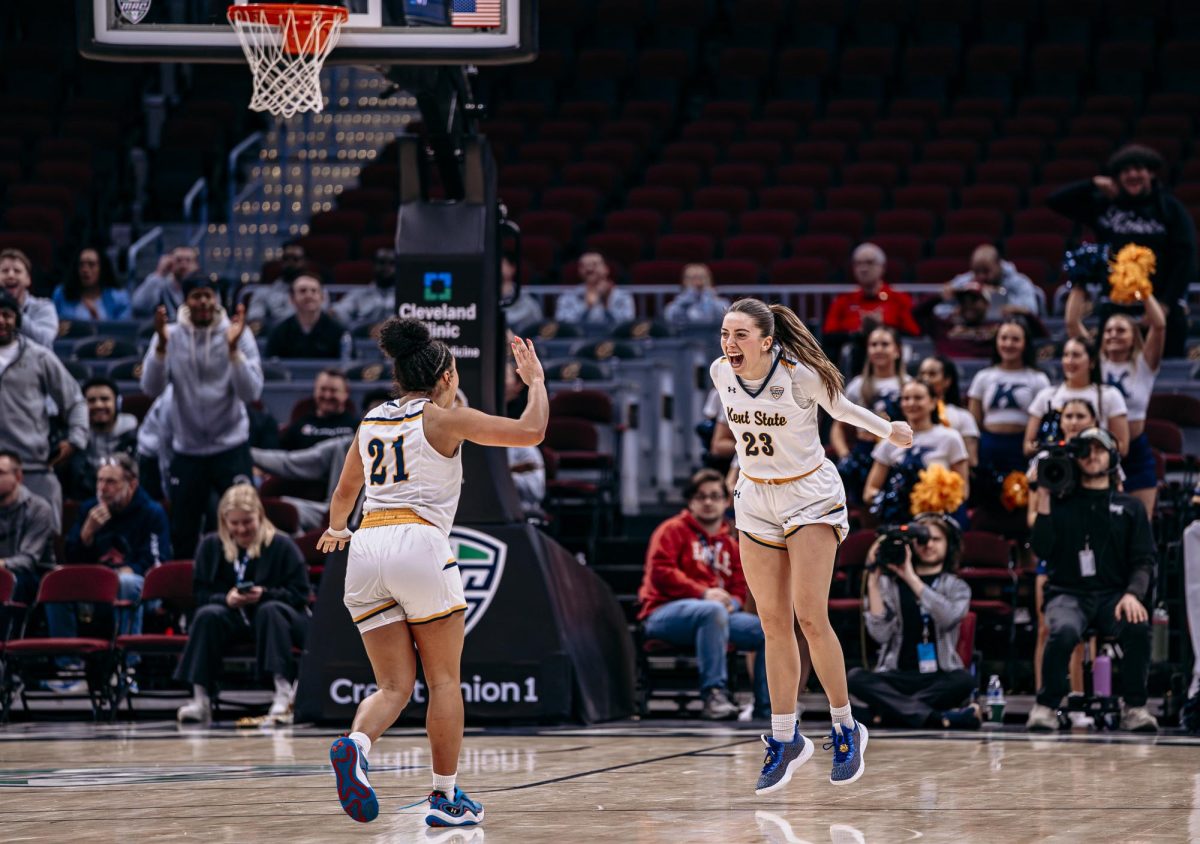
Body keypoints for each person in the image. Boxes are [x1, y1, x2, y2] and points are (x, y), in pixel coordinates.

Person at [316, 318, 548, 826]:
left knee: (393, 687)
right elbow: (531, 432)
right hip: (418, 542)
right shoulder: (445, 418)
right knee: (444, 682)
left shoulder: (372, 419)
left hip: (366, 545)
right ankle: (445, 797)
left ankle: (356, 744)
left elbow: (343, 493)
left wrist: (337, 529)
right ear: (445, 377)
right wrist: (535, 383)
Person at [710, 297, 912, 794]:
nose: (729, 343)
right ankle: (786, 738)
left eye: (739, 334)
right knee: (772, 623)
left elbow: (842, 409)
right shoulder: (720, 372)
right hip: (756, 497)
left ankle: (846, 727)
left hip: (809, 494)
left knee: (809, 616)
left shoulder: (799, 375)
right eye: (724, 333)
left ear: (765, 340)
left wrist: (889, 430)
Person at [1026, 427, 1158, 732]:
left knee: (1137, 626)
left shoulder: (1131, 507)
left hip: (1114, 594)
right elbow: (1042, 550)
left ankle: (1135, 707)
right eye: (1085, 450)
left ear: (1111, 456)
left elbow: (1144, 561)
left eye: (1099, 449)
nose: (1092, 456)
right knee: (1063, 630)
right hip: (1067, 592)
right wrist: (1044, 496)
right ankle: (1046, 705)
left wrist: (1133, 594)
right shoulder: (1059, 503)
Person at [140, 277, 263, 558]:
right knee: (183, 531)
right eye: (196, 296)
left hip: (231, 447)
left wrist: (233, 351)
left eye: (209, 295)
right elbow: (150, 388)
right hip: (187, 449)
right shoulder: (169, 335)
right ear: (185, 301)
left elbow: (251, 391)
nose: (204, 302)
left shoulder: (239, 334)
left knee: (245, 523)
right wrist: (160, 347)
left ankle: (249, 583)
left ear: (216, 299)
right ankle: (188, 596)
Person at [637, 468, 769, 720]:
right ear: (690, 501)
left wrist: (733, 603)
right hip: (663, 613)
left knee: (768, 631)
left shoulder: (730, 542)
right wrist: (703, 593)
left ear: (725, 501)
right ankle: (714, 695)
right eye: (701, 496)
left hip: (717, 615)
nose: (708, 502)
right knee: (712, 610)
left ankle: (769, 706)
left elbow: (740, 585)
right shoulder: (671, 530)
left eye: (714, 496)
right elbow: (661, 573)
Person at [175, 484, 310, 724]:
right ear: (223, 520)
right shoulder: (210, 546)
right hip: (233, 615)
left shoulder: (281, 545)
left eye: (247, 522)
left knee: (269, 611)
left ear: (259, 515)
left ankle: (283, 691)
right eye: (234, 523)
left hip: (277, 616)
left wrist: (265, 594)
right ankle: (200, 698)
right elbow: (201, 594)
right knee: (207, 615)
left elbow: (301, 594)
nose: (241, 529)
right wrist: (226, 599)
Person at [1047, 143, 1197, 357]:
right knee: (1109, 371)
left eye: (1139, 169)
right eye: (1125, 171)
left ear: (1151, 173)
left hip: (1162, 308)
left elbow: (1186, 259)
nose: (1132, 175)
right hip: (1115, 309)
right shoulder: (1105, 206)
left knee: (1162, 376)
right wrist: (1092, 183)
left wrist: (1165, 303)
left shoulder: (1171, 209)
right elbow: (1055, 201)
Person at [849, 513, 980, 728]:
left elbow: (947, 618)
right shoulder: (889, 584)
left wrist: (910, 577)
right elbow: (880, 635)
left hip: (938, 677)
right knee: (855, 677)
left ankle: (887, 713)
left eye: (936, 539)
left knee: (964, 680)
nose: (928, 544)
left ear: (949, 545)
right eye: (922, 539)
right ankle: (938, 718)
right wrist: (873, 579)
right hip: (896, 676)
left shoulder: (957, 586)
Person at [52, 454, 170, 658]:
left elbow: (157, 561)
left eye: (111, 482)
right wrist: (86, 535)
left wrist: (129, 570)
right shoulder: (90, 509)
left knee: (125, 583)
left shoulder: (151, 512)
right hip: (95, 585)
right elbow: (72, 559)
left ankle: (128, 665)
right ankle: (67, 667)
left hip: (138, 587)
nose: (102, 488)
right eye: (99, 480)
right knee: (56, 583)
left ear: (131, 484)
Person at [1027, 398, 1103, 701]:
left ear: (1094, 419)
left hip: (1091, 555)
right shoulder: (1045, 459)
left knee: (1088, 631)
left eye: (1080, 415)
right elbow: (1032, 516)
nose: (1073, 421)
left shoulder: (1101, 455)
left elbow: (1116, 506)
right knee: (1047, 628)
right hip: (1055, 552)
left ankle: (1085, 696)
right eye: (1068, 416)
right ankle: (1043, 698)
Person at [1067, 294, 1165, 520]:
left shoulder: (1144, 364)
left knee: (1140, 523)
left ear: (1134, 337)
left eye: (1121, 330)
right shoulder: (1094, 362)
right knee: (1102, 523)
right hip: (1097, 451)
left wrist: (1144, 291)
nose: (1113, 335)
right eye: (1109, 330)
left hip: (1136, 451)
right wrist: (1079, 284)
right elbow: (1072, 323)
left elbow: (1159, 325)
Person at [0, 291, 88, 532]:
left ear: (17, 319)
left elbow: (75, 401)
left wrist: (75, 439)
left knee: (46, 550)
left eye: (6, 314)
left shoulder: (39, 356)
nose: (1, 321)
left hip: (35, 467)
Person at [252, 390, 391, 534]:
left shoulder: (408, 455)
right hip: (332, 516)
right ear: (363, 418)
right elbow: (290, 462)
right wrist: (246, 453)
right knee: (278, 509)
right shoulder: (342, 446)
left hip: (383, 529)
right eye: (373, 415)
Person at [967, 320, 1051, 492]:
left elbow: (1043, 418)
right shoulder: (983, 377)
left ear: (1025, 343)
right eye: (1003, 338)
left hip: (1021, 447)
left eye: (1015, 339)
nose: (1008, 344)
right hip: (989, 445)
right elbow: (974, 421)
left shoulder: (1038, 379)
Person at [864, 380, 970, 508]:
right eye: (906, 398)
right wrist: (892, 498)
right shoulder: (889, 440)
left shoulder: (951, 437)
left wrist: (933, 500)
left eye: (918, 398)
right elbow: (869, 492)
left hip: (939, 514)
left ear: (933, 402)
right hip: (898, 514)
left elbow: (963, 492)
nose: (911, 403)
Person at [831, 326, 907, 504]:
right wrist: (844, 456)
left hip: (896, 454)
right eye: (873, 345)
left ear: (897, 351)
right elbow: (838, 426)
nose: (878, 349)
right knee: (865, 504)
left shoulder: (908, 385)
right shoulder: (857, 385)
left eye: (885, 344)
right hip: (864, 453)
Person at [1024, 337, 1129, 459]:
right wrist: (1048, 446)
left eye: (1076, 355)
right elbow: (1028, 446)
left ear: (1092, 362)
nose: (1069, 361)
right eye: (1066, 355)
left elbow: (1122, 447)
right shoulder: (1046, 395)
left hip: (1096, 466)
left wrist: (1094, 446)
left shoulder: (1110, 395)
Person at [65, 376, 140, 500]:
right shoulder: (73, 437)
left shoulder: (132, 435)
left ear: (117, 403)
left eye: (105, 399)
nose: (98, 405)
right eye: (91, 400)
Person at [0, 451, 56, 605]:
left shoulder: (39, 508)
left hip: (31, 576)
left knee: (13, 581)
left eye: (1, 473)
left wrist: (2, 564)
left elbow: (28, 560)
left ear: (18, 477)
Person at [265, 274, 350, 360]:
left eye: (314, 291)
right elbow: (272, 368)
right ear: (292, 298)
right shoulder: (279, 332)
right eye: (303, 291)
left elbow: (346, 367)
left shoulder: (339, 332)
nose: (309, 295)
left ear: (322, 297)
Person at [947, 245, 1041, 320]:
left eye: (986, 271)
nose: (981, 276)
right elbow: (941, 309)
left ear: (999, 265)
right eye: (976, 271)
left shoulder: (1020, 283)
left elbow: (1032, 310)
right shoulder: (966, 280)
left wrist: (998, 297)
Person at [916, 355, 979, 467]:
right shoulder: (908, 413)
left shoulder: (963, 417)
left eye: (932, 374)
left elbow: (971, 460)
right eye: (922, 373)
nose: (925, 378)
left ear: (947, 381)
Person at [914, 280, 1001, 359]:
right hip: (948, 373)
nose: (968, 305)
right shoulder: (944, 326)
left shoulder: (995, 329)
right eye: (963, 300)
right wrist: (940, 297)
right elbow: (917, 314)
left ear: (987, 304)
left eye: (974, 300)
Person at [280, 368, 359, 451]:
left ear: (346, 393)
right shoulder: (299, 426)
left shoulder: (357, 428)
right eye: (323, 389)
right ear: (315, 391)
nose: (327, 396)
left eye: (333, 391)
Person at [553, 251, 635, 326]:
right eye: (583, 266)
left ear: (606, 269)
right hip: (579, 341)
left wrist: (606, 305)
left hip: (613, 341)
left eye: (595, 264)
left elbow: (626, 327)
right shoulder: (568, 297)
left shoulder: (623, 296)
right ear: (579, 271)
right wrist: (587, 308)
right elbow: (565, 327)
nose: (589, 269)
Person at [52, 247, 130, 321]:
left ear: (102, 268)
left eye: (91, 264)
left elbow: (122, 332)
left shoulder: (120, 299)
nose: (85, 269)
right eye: (81, 264)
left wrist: (97, 321)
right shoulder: (62, 294)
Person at [0, 248, 57, 348]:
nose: (10, 275)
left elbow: (45, 341)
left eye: (17, 271)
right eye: (5, 271)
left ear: (28, 279)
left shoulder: (43, 306)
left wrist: (15, 313)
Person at [246, 240, 307, 328]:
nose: (290, 263)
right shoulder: (263, 293)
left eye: (295, 259)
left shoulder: (317, 293)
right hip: (275, 338)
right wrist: (256, 325)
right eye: (286, 258)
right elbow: (255, 321)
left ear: (304, 262)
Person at [331, 248, 398, 326]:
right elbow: (338, 312)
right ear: (373, 265)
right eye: (382, 262)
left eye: (392, 263)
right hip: (362, 336)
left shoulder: (405, 296)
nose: (387, 267)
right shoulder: (359, 294)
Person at [131, 246, 201, 319]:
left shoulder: (203, 287)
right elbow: (139, 306)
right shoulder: (161, 284)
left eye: (188, 260)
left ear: (196, 265)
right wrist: (159, 273)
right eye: (178, 260)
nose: (183, 265)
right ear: (170, 263)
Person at [663, 263, 731, 324]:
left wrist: (710, 298)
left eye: (702, 278)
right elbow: (669, 317)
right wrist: (685, 301)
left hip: (712, 336)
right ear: (684, 281)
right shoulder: (676, 305)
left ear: (709, 280)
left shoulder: (721, 303)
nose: (698, 283)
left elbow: (727, 317)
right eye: (692, 278)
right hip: (685, 336)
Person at [499, 253, 543, 333]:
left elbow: (537, 328)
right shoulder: (482, 298)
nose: (495, 267)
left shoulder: (527, 302)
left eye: (501, 263)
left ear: (512, 268)